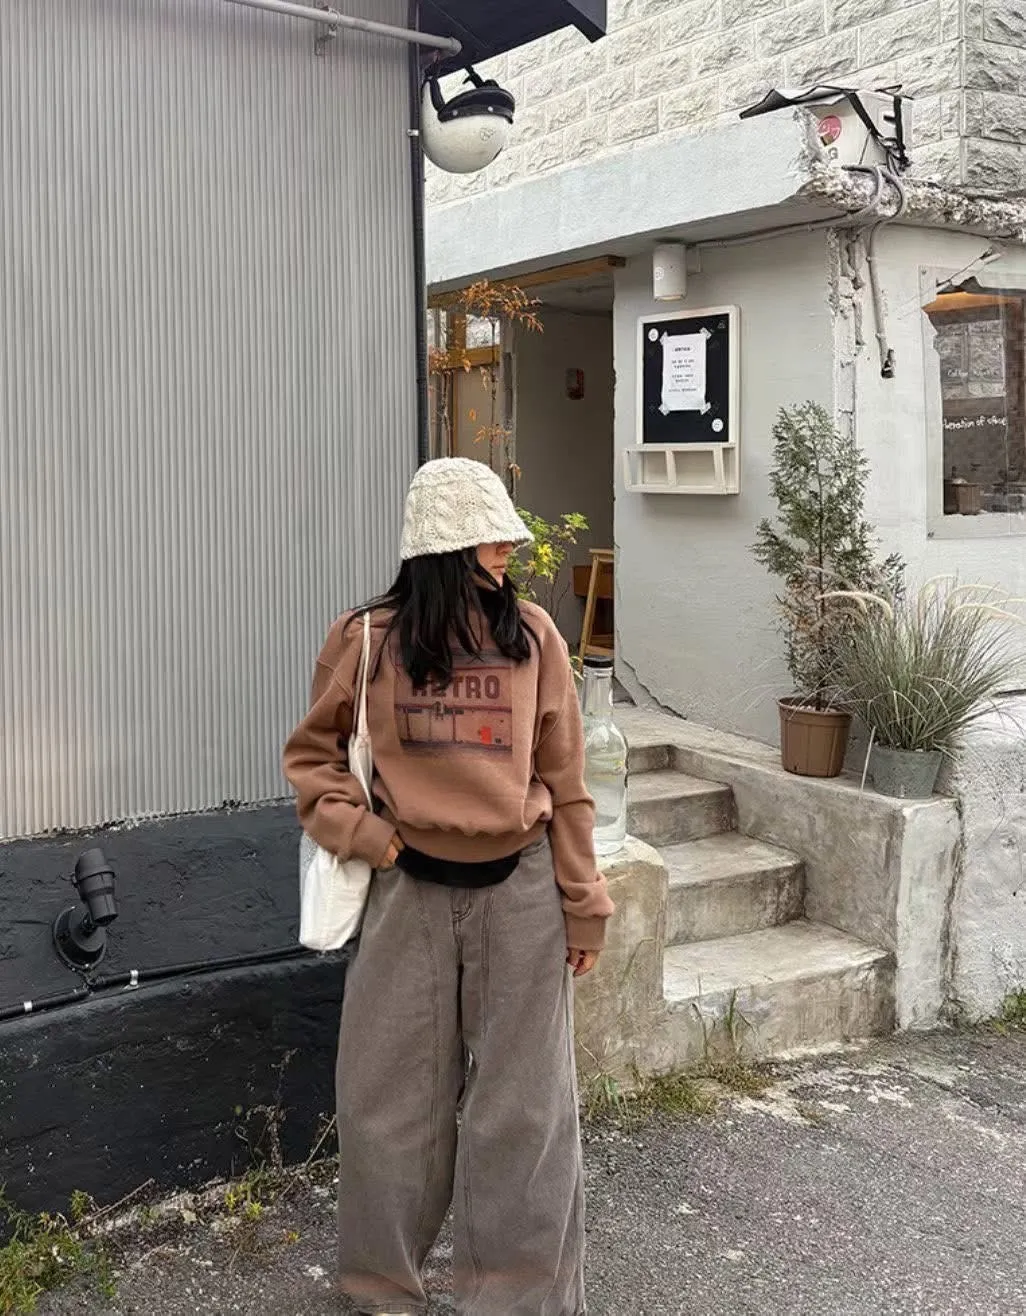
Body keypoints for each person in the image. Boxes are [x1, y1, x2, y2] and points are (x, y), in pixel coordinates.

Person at [283, 457, 615, 1316]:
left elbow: (567, 784)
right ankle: (381, 1293)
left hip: (523, 896)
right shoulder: (366, 640)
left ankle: (516, 1303)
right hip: (407, 896)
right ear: (445, 548)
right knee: (385, 1107)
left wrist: (585, 905)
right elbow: (313, 759)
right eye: (489, 535)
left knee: (525, 1115)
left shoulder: (534, 637)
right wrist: (368, 837)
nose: (508, 547)